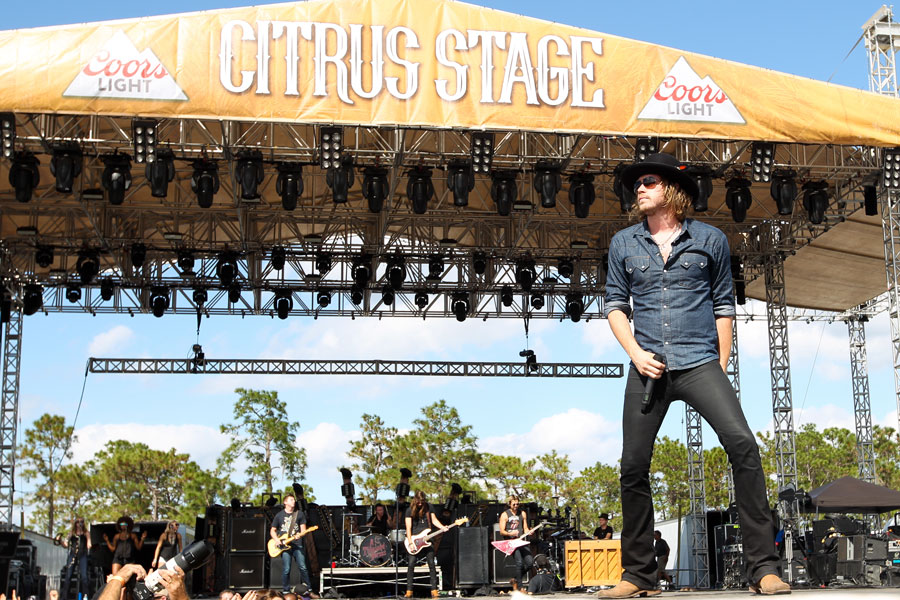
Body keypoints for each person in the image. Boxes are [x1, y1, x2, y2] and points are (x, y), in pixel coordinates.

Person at [601, 152, 790, 598]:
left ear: (671, 188)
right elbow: (614, 306)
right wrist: (635, 352)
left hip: (700, 363)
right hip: (648, 369)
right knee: (632, 465)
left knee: (743, 445)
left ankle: (763, 568)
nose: (639, 189)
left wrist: (719, 367)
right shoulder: (624, 244)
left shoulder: (711, 240)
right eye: (637, 184)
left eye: (647, 181)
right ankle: (638, 576)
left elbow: (724, 306)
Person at [270, 494, 317, 598]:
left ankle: (309, 589)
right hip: (284, 546)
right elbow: (272, 530)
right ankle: (286, 591)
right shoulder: (279, 515)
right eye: (291, 500)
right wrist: (277, 540)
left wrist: (300, 535)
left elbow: (304, 530)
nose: (294, 501)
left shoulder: (299, 514)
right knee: (286, 569)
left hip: (297, 544)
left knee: (303, 567)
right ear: (285, 502)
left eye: (294, 500)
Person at [404, 490, 447, 598]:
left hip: (427, 540)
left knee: (431, 564)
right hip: (414, 540)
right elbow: (408, 528)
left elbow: (434, 520)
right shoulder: (409, 510)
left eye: (422, 502)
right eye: (418, 502)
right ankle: (409, 590)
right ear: (415, 500)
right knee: (411, 564)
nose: (420, 504)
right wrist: (410, 543)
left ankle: (434, 590)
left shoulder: (429, 507)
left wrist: (442, 527)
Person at [498, 495, 534, 591]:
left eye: (517, 504)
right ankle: (520, 587)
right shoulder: (505, 515)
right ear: (509, 504)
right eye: (514, 504)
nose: (516, 506)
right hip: (511, 542)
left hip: (521, 541)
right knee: (519, 563)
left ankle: (515, 578)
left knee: (530, 562)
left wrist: (529, 531)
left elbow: (525, 528)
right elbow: (502, 531)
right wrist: (511, 533)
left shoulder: (522, 513)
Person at [60, 517, 91, 600]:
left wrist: (89, 542)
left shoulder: (86, 533)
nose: (79, 523)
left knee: (84, 576)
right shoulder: (71, 533)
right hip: (73, 554)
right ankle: (64, 597)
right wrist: (60, 541)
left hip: (83, 554)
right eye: (78, 522)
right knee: (68, 575)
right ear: (75, 523)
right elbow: (65, 544)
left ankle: (85, 596)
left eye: (81, 522)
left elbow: (89, 544)